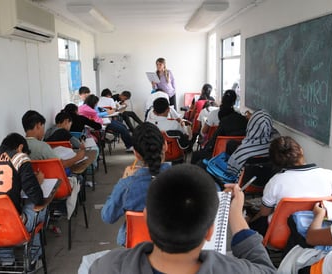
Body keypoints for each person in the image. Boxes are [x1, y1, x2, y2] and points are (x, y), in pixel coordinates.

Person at [90, 164, 277, 273]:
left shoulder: (106, 267)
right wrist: (235, 214)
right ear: (210, 231)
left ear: (146, 218)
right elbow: (266, 269)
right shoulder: (231, 269)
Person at [249, 136, 332, 236]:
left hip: (283, 234)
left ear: (275, 162)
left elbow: (264, 212)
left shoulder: (276, 182)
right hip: (323, 231)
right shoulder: (330, 175)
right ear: (301, 151)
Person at [0, 133, 45, 271]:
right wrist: (38, 182)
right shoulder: (19, 157)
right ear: (20, 147)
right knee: (39, 207)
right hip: (12, 227)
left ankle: (7, 262)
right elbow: (37, 197)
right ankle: (34, 258)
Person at [100, 122, 171, 246]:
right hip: (174, 247)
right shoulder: (186, 179)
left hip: (137, 247)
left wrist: (122, 181)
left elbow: (108, 216)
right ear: (165, 146)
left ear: (136, 154)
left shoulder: (127, 185)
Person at [190, 89, 248, 164]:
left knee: (195, 155)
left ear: (222, 100)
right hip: (236, 153)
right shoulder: (241, 118)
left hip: (218, 152)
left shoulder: (216, 116)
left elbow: (205, 133)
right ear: (234, 102)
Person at [22, 110, 86, 167]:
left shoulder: (18, 146)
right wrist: (78, 157)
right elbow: (61, 164)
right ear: (38, 125)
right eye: (42, 127)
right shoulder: (43, 146)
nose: (43, 132)